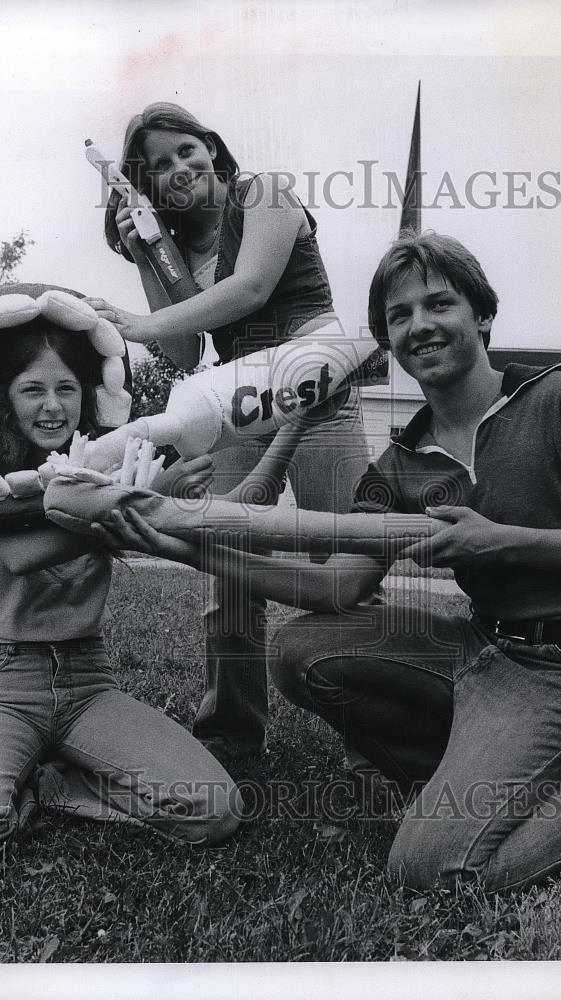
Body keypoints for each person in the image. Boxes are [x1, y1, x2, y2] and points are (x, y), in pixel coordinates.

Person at [99, 231, 561, 893]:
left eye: (437, 304)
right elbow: (336, 587)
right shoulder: (400, 463)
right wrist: (183, 545)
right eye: (398, 316)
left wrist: (498, 539)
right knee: (301, 647)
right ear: (385, 342)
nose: (419, 325)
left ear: (481, 312)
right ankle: (459, 779)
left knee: (429, 866)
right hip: (481, 648)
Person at [85, 102, 374, 767]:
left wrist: (135, 323)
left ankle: (371, 737)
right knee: (228, 571)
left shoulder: (264, 193)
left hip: (314, 391)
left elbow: (250, 290)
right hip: (241, 404)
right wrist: (144, 253)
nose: (178, 167)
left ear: (212, 148)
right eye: (158, 165)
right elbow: (187, 352)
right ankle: (231, 737)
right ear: (148, 186)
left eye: (185, 150)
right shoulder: (177, 246)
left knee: (345, 555)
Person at [0, 297, 242, 868]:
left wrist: (167, 497)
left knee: (216, 810)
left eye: (67, 388)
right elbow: (22, 553)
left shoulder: (104, 469)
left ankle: (54, 785)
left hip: (87, 679)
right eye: (32, 389)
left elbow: (185, 534)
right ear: (3, 401)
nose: (53, 405)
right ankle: (21, 774)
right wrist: (137, 504)